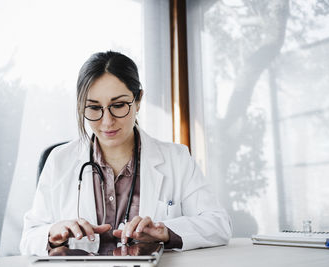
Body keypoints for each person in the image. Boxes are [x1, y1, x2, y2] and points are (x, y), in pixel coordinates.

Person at [19, 51, 231, 256]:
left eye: (118, 105)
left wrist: (165, 231)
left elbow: (218, 224)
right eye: (94, 108)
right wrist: (52, 233)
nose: (107, 121)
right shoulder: (59, 160)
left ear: (138, 100)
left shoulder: (176, 158)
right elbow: (29, 237)